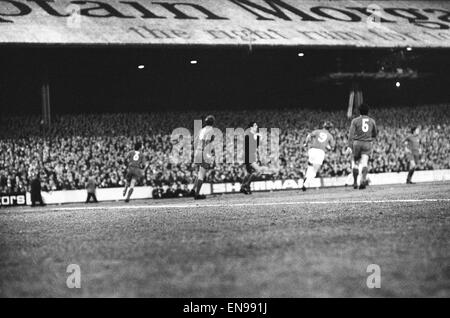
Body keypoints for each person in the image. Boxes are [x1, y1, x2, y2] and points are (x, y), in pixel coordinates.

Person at [347, 103, 378, 190]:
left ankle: (355, 182)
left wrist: (349, 146)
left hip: (357, 143)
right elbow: (375, 134)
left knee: (355, 163)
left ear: (359, 111)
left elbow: (351, 135)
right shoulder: (372, 121)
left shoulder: (355, 121)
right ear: (368, 112)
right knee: (364, 163)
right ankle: (363, 180)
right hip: (367, 143)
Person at [302, 121, 335, 191]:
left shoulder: (317, 131)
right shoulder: (330, 136)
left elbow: (309, 136)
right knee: (315, 170)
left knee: (310, 166)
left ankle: (306, 176)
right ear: (330, 129)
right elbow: (332, 147)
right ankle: (305, 184)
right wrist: (327, 147)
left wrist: (306, 143)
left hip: (312, 150)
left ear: (323, 126)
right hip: (320, 152)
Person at [192, 115, 216, 200]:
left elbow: (195, 141)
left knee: (199, 172)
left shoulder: (201, 130)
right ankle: (197, 194)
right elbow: (207, 142)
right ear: (213, 122)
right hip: (204, 152)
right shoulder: (211, 130)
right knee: (202, 174)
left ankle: (193, 189)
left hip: (198, 151)